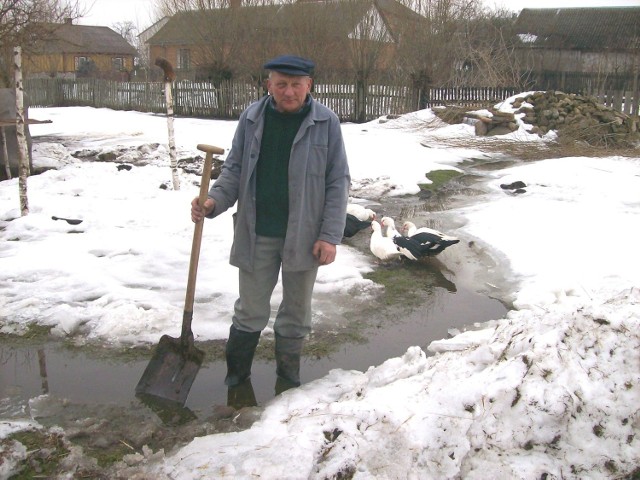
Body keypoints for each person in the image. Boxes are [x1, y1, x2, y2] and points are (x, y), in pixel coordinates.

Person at [191, 54, 350, 394]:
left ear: (309, 85)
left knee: (295, 314)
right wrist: (214, 200)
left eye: (295, 84)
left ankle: (288, 383)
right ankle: (236, 382)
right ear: (269, 85)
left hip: (305, 237)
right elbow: (233, 169)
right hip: (257, 232)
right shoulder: (252, 118)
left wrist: (329, 235)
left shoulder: (326, 122)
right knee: (249, 310)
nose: (288, 91)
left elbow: (338, 181)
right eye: (281, 84)